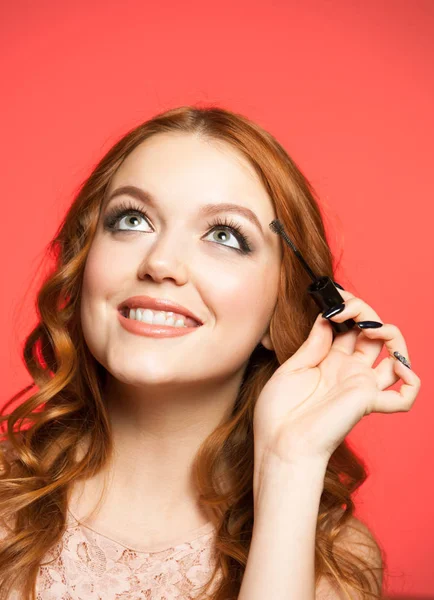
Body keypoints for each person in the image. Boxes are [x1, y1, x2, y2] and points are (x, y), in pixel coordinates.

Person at [0, 105, 420, 600]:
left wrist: (290, 463)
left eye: (225, 235)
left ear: (280, 310)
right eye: (132, 220)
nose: (160, 263)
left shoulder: (337, 560)